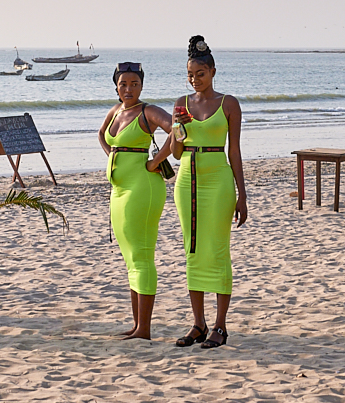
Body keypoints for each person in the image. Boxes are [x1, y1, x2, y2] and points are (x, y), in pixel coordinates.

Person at [172, 36, 248, 349]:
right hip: (187, 177)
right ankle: (198, 324)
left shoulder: (228, 104)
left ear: (213, 71)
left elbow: (235, 151)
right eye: (190, 75)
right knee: (192, 250)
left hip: (218, 179)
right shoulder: (181, 103)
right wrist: (178, 127)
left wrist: (241, 193)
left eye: (200, 74)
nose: (194, 80)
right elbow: (177, 152)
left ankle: (220, 325)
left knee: (217, 250)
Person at [97, 62, 174, 340]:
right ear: (116, 86)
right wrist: (112, 157)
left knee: (141, 257)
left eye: (134, 84)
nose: (128, 89)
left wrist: (156, 160)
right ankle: (137, 324)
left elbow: (176, 130)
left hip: (142, 189)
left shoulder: (148, 111)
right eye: (123, 84)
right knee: (130, 258)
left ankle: (145, 329)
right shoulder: (116, 111)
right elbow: (101, 134)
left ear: (141, 86)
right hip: (118, 190)